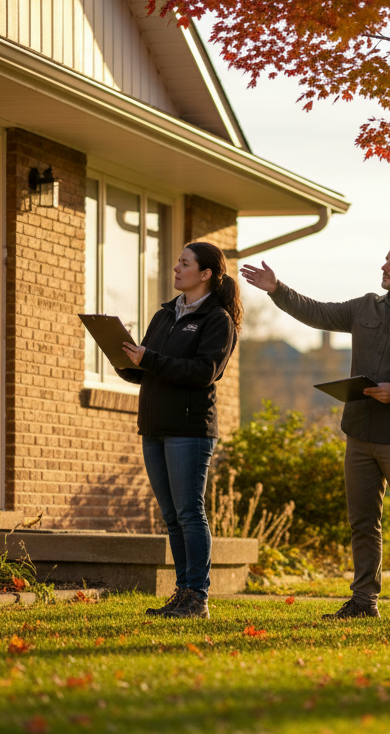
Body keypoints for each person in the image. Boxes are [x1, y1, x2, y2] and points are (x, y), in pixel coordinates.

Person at [240, 238, 390, 623]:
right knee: (362, 522)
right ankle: (363, 601)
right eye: (386, 260)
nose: (384, 267)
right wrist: (277, 289)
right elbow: (319, 313)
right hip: (358, 432)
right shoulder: (364, 308)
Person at [120, 241, 241, 619]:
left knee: (190, 513)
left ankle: (197, 597)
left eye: (184, 263)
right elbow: (149, 369)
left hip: (190, 429)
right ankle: (182, 592)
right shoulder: (165, 315)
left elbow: (205, 372)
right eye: (177, 262)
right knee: (171, 515)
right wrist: (123, 358)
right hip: (154, 427)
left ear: (205, 274)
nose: (176, 268)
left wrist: (150, 359)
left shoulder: (216, 320)